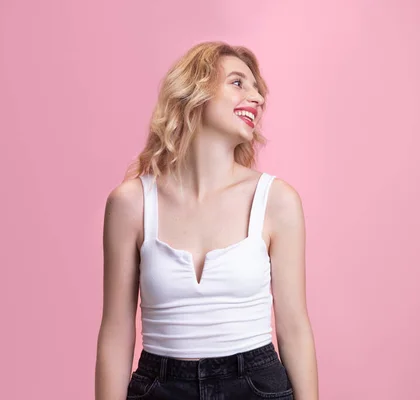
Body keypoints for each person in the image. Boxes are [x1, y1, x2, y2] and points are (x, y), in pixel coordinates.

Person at [94, 42, 318, 400]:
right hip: (159, 386)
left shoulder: (277, 201)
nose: (257, 97)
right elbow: (116, 331)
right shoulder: (131, 203)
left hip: (256, 385)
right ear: (194, 90)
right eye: (238, 82)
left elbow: (293, 327)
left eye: (258, 89)